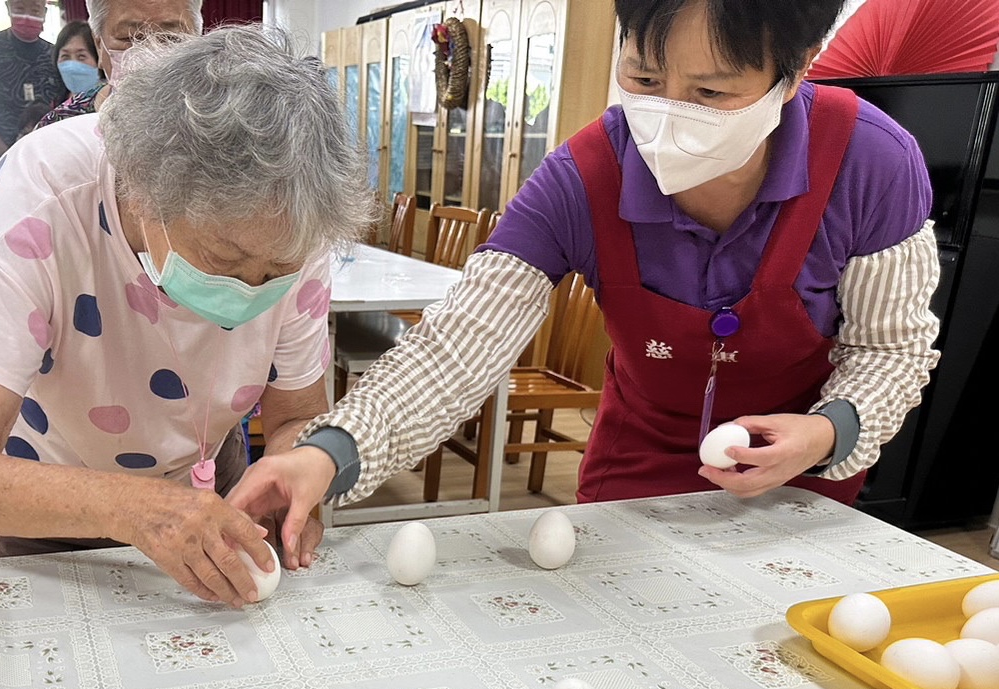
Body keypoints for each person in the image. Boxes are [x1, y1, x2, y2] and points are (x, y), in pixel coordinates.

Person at [228, 0, 942, 566]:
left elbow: (892, 350)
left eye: (710, 91)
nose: (668, 114)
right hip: (634, 484)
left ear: (798, 68)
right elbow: (455, 351)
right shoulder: (584, 177)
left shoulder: (870, 163)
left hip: (802, 489)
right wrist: (331, 450)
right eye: (644, 78)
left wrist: (826, 430)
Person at [0, 27, 372, 607]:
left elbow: (294, 413)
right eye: (225, 257)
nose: (251, 288)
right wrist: (134, 507)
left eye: (278, 269)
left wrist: (290, 476)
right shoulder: (42, 197)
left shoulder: (300, 213)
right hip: (41, 511)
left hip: (209, 497)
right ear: (145, 190)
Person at [37, 0, 202, 127]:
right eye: (128, 38)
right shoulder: (60, 128)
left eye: (171, 37)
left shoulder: (222, 118)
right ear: (99, 46)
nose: (151, 51)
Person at [0, 0, 65, 184]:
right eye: (19, 8)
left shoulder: (53, 54)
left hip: (44, 163)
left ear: (44, 12)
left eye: (34, 9)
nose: (27, 16)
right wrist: (10, 158)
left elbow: (62, 112)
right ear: (8, 8)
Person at [53, 20, 101, 101]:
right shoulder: (55, 101)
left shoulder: (111, 101)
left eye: (81, 56)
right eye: (65, 56)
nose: (72, 66)